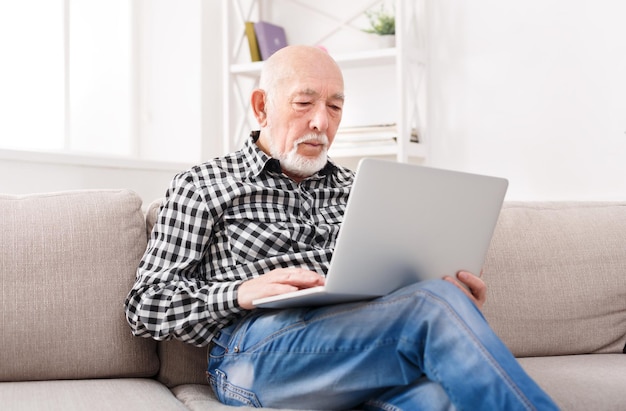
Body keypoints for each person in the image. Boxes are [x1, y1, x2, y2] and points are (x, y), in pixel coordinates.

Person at [124, 45, 558, 410]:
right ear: (261, 107)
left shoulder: (363, 188)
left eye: (335, 107)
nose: (321, 122)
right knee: (432, 306)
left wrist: (452, 301)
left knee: (438, 399)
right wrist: (241, 292)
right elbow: (145, 305)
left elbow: (392, 286)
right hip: (252, 353)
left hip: (361, 344)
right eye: (304, 103)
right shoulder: (203, 184)